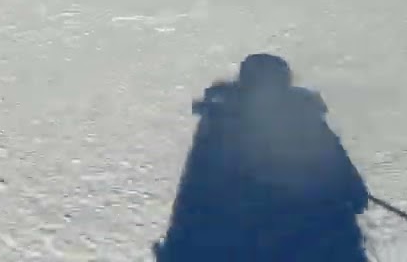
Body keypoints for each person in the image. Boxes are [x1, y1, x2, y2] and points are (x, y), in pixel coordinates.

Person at [156, 54, 369, 262]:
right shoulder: (306, 121)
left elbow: (194, 190)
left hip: (232, 245)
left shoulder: (219, 125)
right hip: (311, 243)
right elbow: (350, 187)